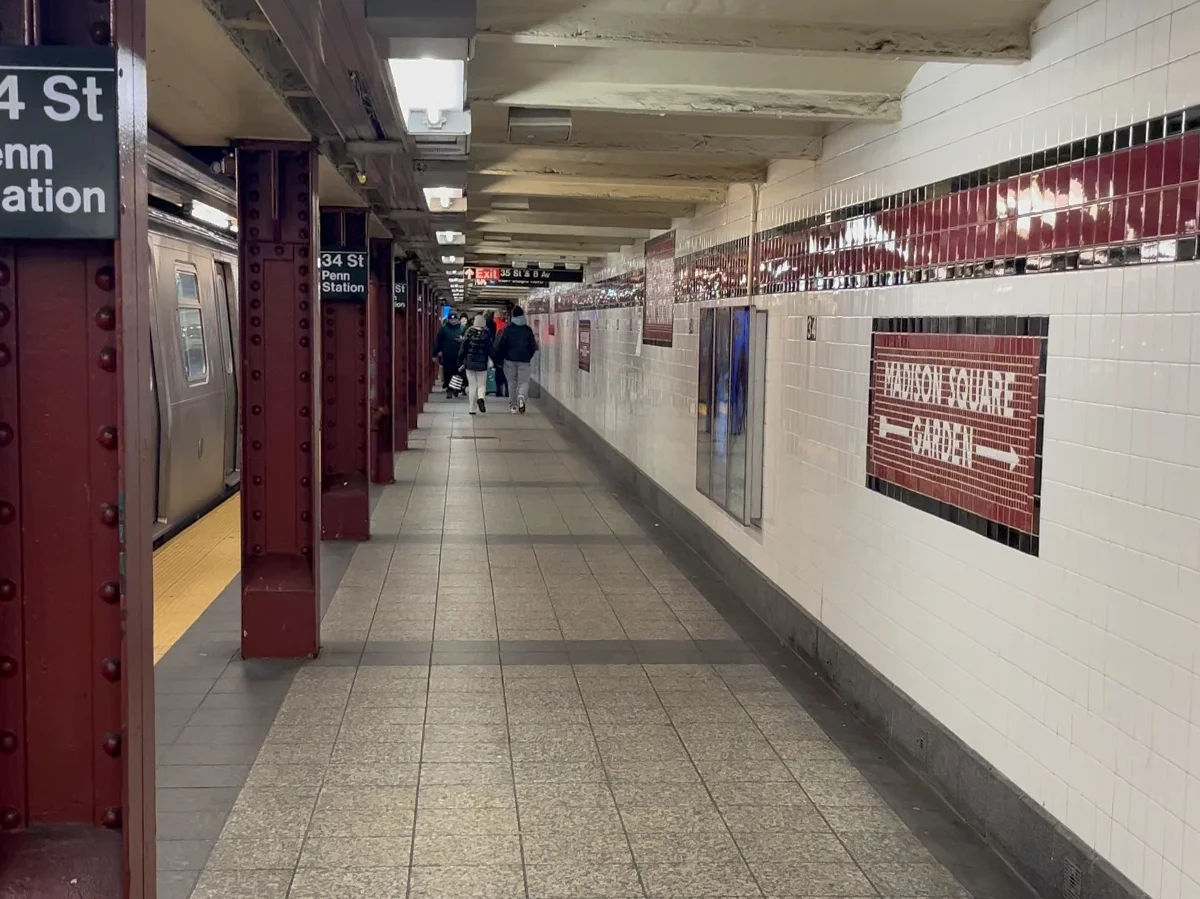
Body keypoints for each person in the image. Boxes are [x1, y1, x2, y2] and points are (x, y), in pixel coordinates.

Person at [494, 305, 537, 414]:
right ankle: (522, 396)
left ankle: (513, 406)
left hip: (509, 360)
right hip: (524, 360)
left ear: (513, 316)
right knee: (524, 381)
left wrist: (500, 359)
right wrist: (528, 356)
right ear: (523, 315)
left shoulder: (508, 330)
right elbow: (532, 346)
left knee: (511, 383)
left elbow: (503, 345)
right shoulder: (528, 330)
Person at [458, 313, 495, 414]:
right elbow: (491, 350)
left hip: (469, 364)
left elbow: (462, 350)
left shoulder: (468, 332)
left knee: (472, 385)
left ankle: (471, 408)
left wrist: (460, 362)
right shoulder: (487, 334)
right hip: (482, 364)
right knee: (481, 385)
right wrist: (496, 361)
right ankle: (481, 398)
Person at [433, 313, 467, 396]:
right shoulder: (444, 329)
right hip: (447, 354)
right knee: (448, 373)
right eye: (451, 319)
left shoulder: (462, 329)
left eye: (454, 319)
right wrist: (435, 353)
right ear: (448, 320)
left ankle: (457, 388)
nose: (453, 321)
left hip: (459, 355)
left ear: (457, 320)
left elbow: (467, 341)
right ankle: (449, 389)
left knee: (459, 373)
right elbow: (438, 341)